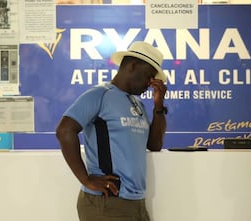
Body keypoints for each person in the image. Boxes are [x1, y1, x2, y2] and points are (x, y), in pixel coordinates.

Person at [56, 41, 168, 221]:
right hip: (108, 203)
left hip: (135, 202)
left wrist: (158, 106)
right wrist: (86, 179)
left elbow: (154, 145)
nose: (150, 83)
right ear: (132, 66)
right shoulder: (100, 94)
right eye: (148, 75)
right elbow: (64, 131)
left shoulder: (137, 104)